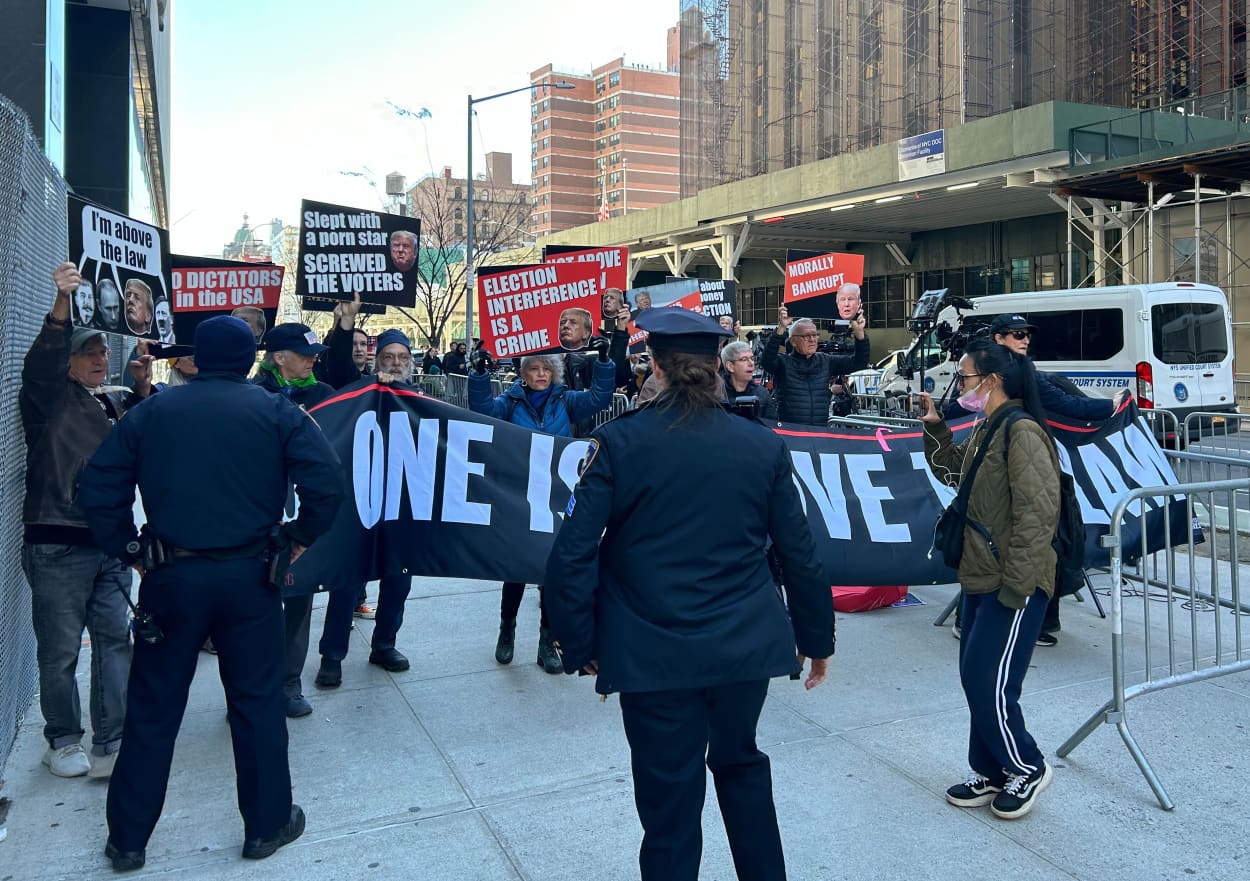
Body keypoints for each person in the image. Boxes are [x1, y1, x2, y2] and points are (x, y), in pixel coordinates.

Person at [544, 308, 833, 881]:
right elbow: (799, 552)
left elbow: (570, 557)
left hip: (651, 654)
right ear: (715, 369)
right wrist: (815, 637)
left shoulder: (618, 443)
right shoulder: (761, 445)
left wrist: (580, 645)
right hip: (743, 648)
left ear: (655, 365)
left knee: (670, 801)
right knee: (742, 765)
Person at [78, 315, 343, 872]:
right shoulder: (277, 413)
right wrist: (296, 539)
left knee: (153, 709)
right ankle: (266, 827)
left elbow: (97, 486)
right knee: (256, 703)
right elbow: (327, 485)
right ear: (249, 360)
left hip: (172, 578)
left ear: (197, 358)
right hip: (251, 578)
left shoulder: (151, 411)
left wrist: (128, 549)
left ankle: (128, 840)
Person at [19, 262, 154, 780]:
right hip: (58, 543)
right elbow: (43, 362)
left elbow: (143, 437)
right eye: (87, 352)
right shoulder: (50, 399)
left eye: (103, 351)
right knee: (59, 650)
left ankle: (112, 735)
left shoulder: (114, 403)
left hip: (111, 544)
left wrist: (141, 388)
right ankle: (64, 739)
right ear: (69, 362)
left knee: (114, 638)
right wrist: (61, 304)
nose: (99, 359)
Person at [918, 337, 1059, 821]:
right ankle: (994, 769)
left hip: (1011, 581)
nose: (960, 384)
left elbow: (1038, 515)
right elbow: (956, 474)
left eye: (965, 376)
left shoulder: (1021, 432)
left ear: (991, 380)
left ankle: (1026, 764)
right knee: (976, 677)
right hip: (980, 573)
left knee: (989, 681)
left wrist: (1017, 587)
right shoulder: (986, 426)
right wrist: (936, 430)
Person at [947, 314, 1127, 645]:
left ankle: (1033, 618)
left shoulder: (1024, 399)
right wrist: (934, 428)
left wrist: (1111, 408)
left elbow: (1069, 405)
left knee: (1032, 539)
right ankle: (979, 617)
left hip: (1023, 469)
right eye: (1017, 334)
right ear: (998, 338)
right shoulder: (988, 384)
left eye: (1027, 334)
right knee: (989, 542)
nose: (1025, 339)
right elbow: (954, 414)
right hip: (996, 474)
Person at [468, 340, 615, 672]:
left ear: (555, 372)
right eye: (534, 369)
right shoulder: (509, 402)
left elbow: (599, 399)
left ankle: (547, 642)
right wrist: (478, 374)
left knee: (550, 571)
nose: (540, 374)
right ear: (523, 374)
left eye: (546, 369)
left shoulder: (566, 401)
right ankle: (507, 630)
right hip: (519, 497)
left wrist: (605, 362)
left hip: (555, 498)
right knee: (516, 569)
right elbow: (483, 413)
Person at [314, 320, 420, 689]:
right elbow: (339, 364)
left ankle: (385, 644)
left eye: (401, 357)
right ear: (377, 361)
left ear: (410, 362)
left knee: (398, 578)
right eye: (388, 356)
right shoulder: (358, 390)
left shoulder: (424, 402)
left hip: (403, 505)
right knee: (347, 578)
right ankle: (332, 655)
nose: (394, 363)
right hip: (359, 502)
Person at [253, 323, 336, 718]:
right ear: (278, 356)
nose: (313, 359)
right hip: (257, 517)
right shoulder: (252, 395)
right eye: (305, 353)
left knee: (298, 601)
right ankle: (251, 683)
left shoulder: (323, 396)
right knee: (253, 606)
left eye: (316, 353)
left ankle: (289, 683)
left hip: (300, 519)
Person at [762, 304, 869, 425]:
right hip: (791, 433)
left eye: (815, 335)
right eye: (806, 336)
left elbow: (859, 363)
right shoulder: (783, 362)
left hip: (818, 432)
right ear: (793, 341)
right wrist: (781, 328)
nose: (812, 339)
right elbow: (766, 361)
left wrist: (860, 333)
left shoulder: (825, 361)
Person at [721, 340, 771, 415]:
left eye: (752, 359)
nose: (751, 363)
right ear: (730, 366)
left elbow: (771, 424)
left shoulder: (762, 394)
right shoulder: (717, 394)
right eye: (744, 359)